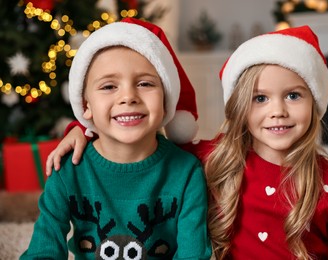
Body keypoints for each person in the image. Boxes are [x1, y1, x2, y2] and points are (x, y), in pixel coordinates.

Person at [46, 25, 328, 259]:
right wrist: (83, 127)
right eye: (260, 98)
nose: (278, 111)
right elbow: (135, 144)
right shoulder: (211, 158)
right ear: (238, 107)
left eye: (293, 95)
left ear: (315, 102)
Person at [21, 17, 212, 260]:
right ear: (85, 105)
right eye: (109, 86)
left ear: (166, 102)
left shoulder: (187, 172)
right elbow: (43, 251)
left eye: (145, 83)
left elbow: (193, 255)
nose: (128, 97)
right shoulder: (68, 169)